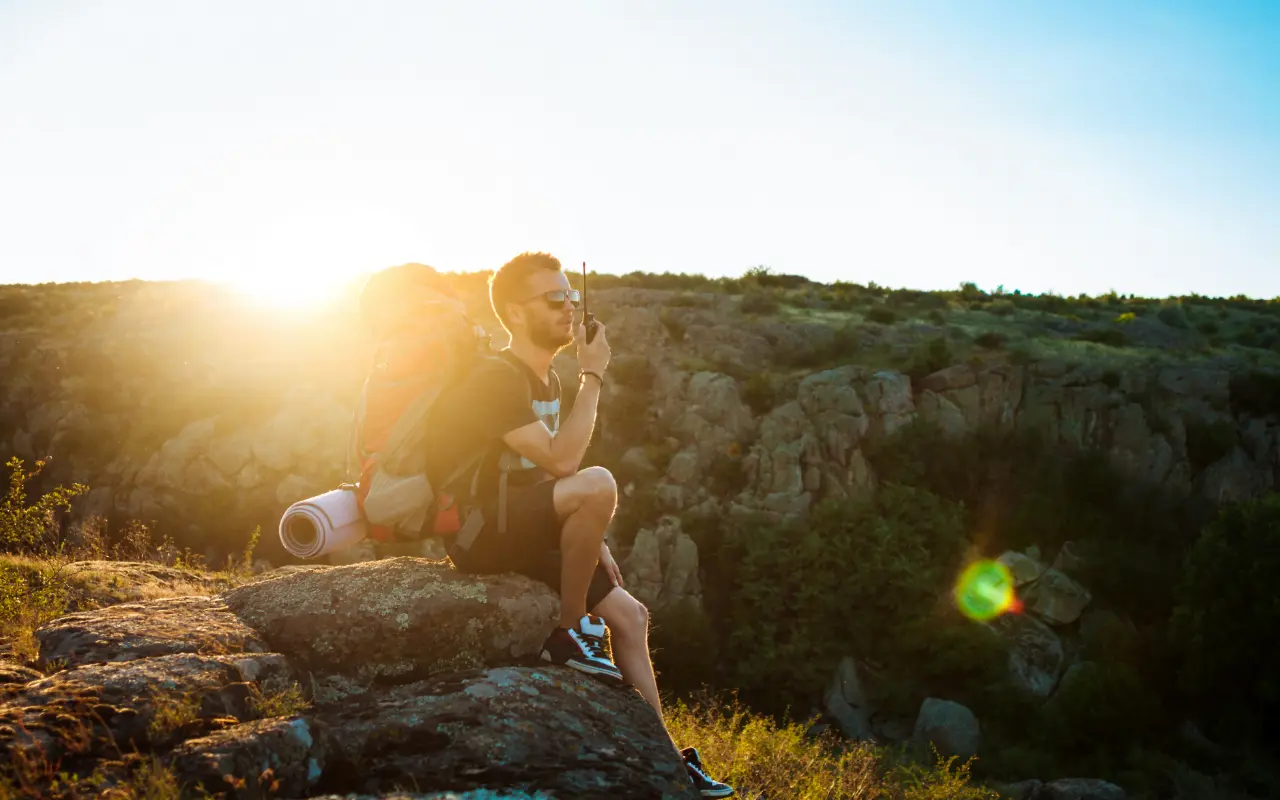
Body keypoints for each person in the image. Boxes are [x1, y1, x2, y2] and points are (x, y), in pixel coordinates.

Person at [423, 252, 734, 797]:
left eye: (571, 296)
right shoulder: (497, 377)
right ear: (516, 314)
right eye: (554, 299)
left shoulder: (546, 383)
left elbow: (540, 485)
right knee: (598, 481)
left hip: (518, 523)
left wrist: (591, 540)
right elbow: (562, 464)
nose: (569, 307)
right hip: (480, 533)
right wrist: (593, 373)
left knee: (632, 617)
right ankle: (566, 634)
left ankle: (665, 758)